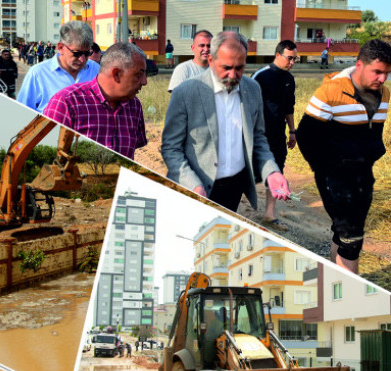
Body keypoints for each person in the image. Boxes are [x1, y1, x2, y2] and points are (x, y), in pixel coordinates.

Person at [160, 31, 291, 212]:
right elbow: (171, 148)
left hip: (234, 185)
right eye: (227, 67)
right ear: (212, 60)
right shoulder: (185, 92)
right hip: (198, 185)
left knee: (221, 235)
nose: (233, 75)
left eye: (239, 68)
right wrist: (193, 184)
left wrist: (272, 171)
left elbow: (258, 138)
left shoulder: (252, 89)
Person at [296, 39, 391, 274]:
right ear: (359, 66)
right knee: (352, 238)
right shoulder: (330, 92)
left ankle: (333, 276)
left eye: (387, 73)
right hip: (334, 175)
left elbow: (373, 134)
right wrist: (326, 169)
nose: (382, 79)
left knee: (342, 232)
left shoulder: (385, 94)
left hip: (362, 174)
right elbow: (306, 136)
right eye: (377, 72)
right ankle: (351, 292)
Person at [43, 42, 147, 159]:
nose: (144, 81)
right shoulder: (66, 103)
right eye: (139, 74)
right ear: (116, 74)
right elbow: (48, 156)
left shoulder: (134, 106)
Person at [251, 40, 298, 231]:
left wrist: (292, 131)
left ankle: (269, 215)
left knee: (277, 170)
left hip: (278, 135)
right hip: (257, 135)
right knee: (246, 172)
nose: (292, 62)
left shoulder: (289, 79)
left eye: (295, 58)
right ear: (278, 55)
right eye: (290, 58)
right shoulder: (260, 76)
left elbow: (289, 108)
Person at [17, 20, 100, 113]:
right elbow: (22, 112)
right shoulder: (38, 74)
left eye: (87, 53)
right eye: (77, 53)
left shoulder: (96, 70)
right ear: (61, 48)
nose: (82, 59)